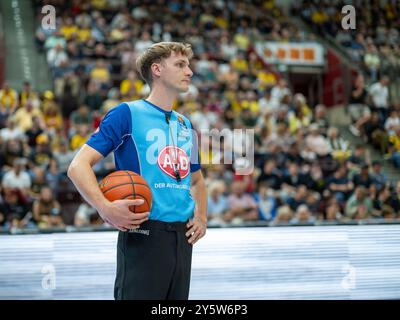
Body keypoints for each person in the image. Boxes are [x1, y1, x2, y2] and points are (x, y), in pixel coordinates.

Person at [67, 42, 207, 300]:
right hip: (143, 233)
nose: (189, 71)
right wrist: (104, 207)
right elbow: (78, 166)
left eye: (188, 65)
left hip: (182, 239)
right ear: (157, 69)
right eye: (180, 64)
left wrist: (202, 217)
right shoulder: (126, 113)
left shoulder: (186, 124)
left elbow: (197, 181)